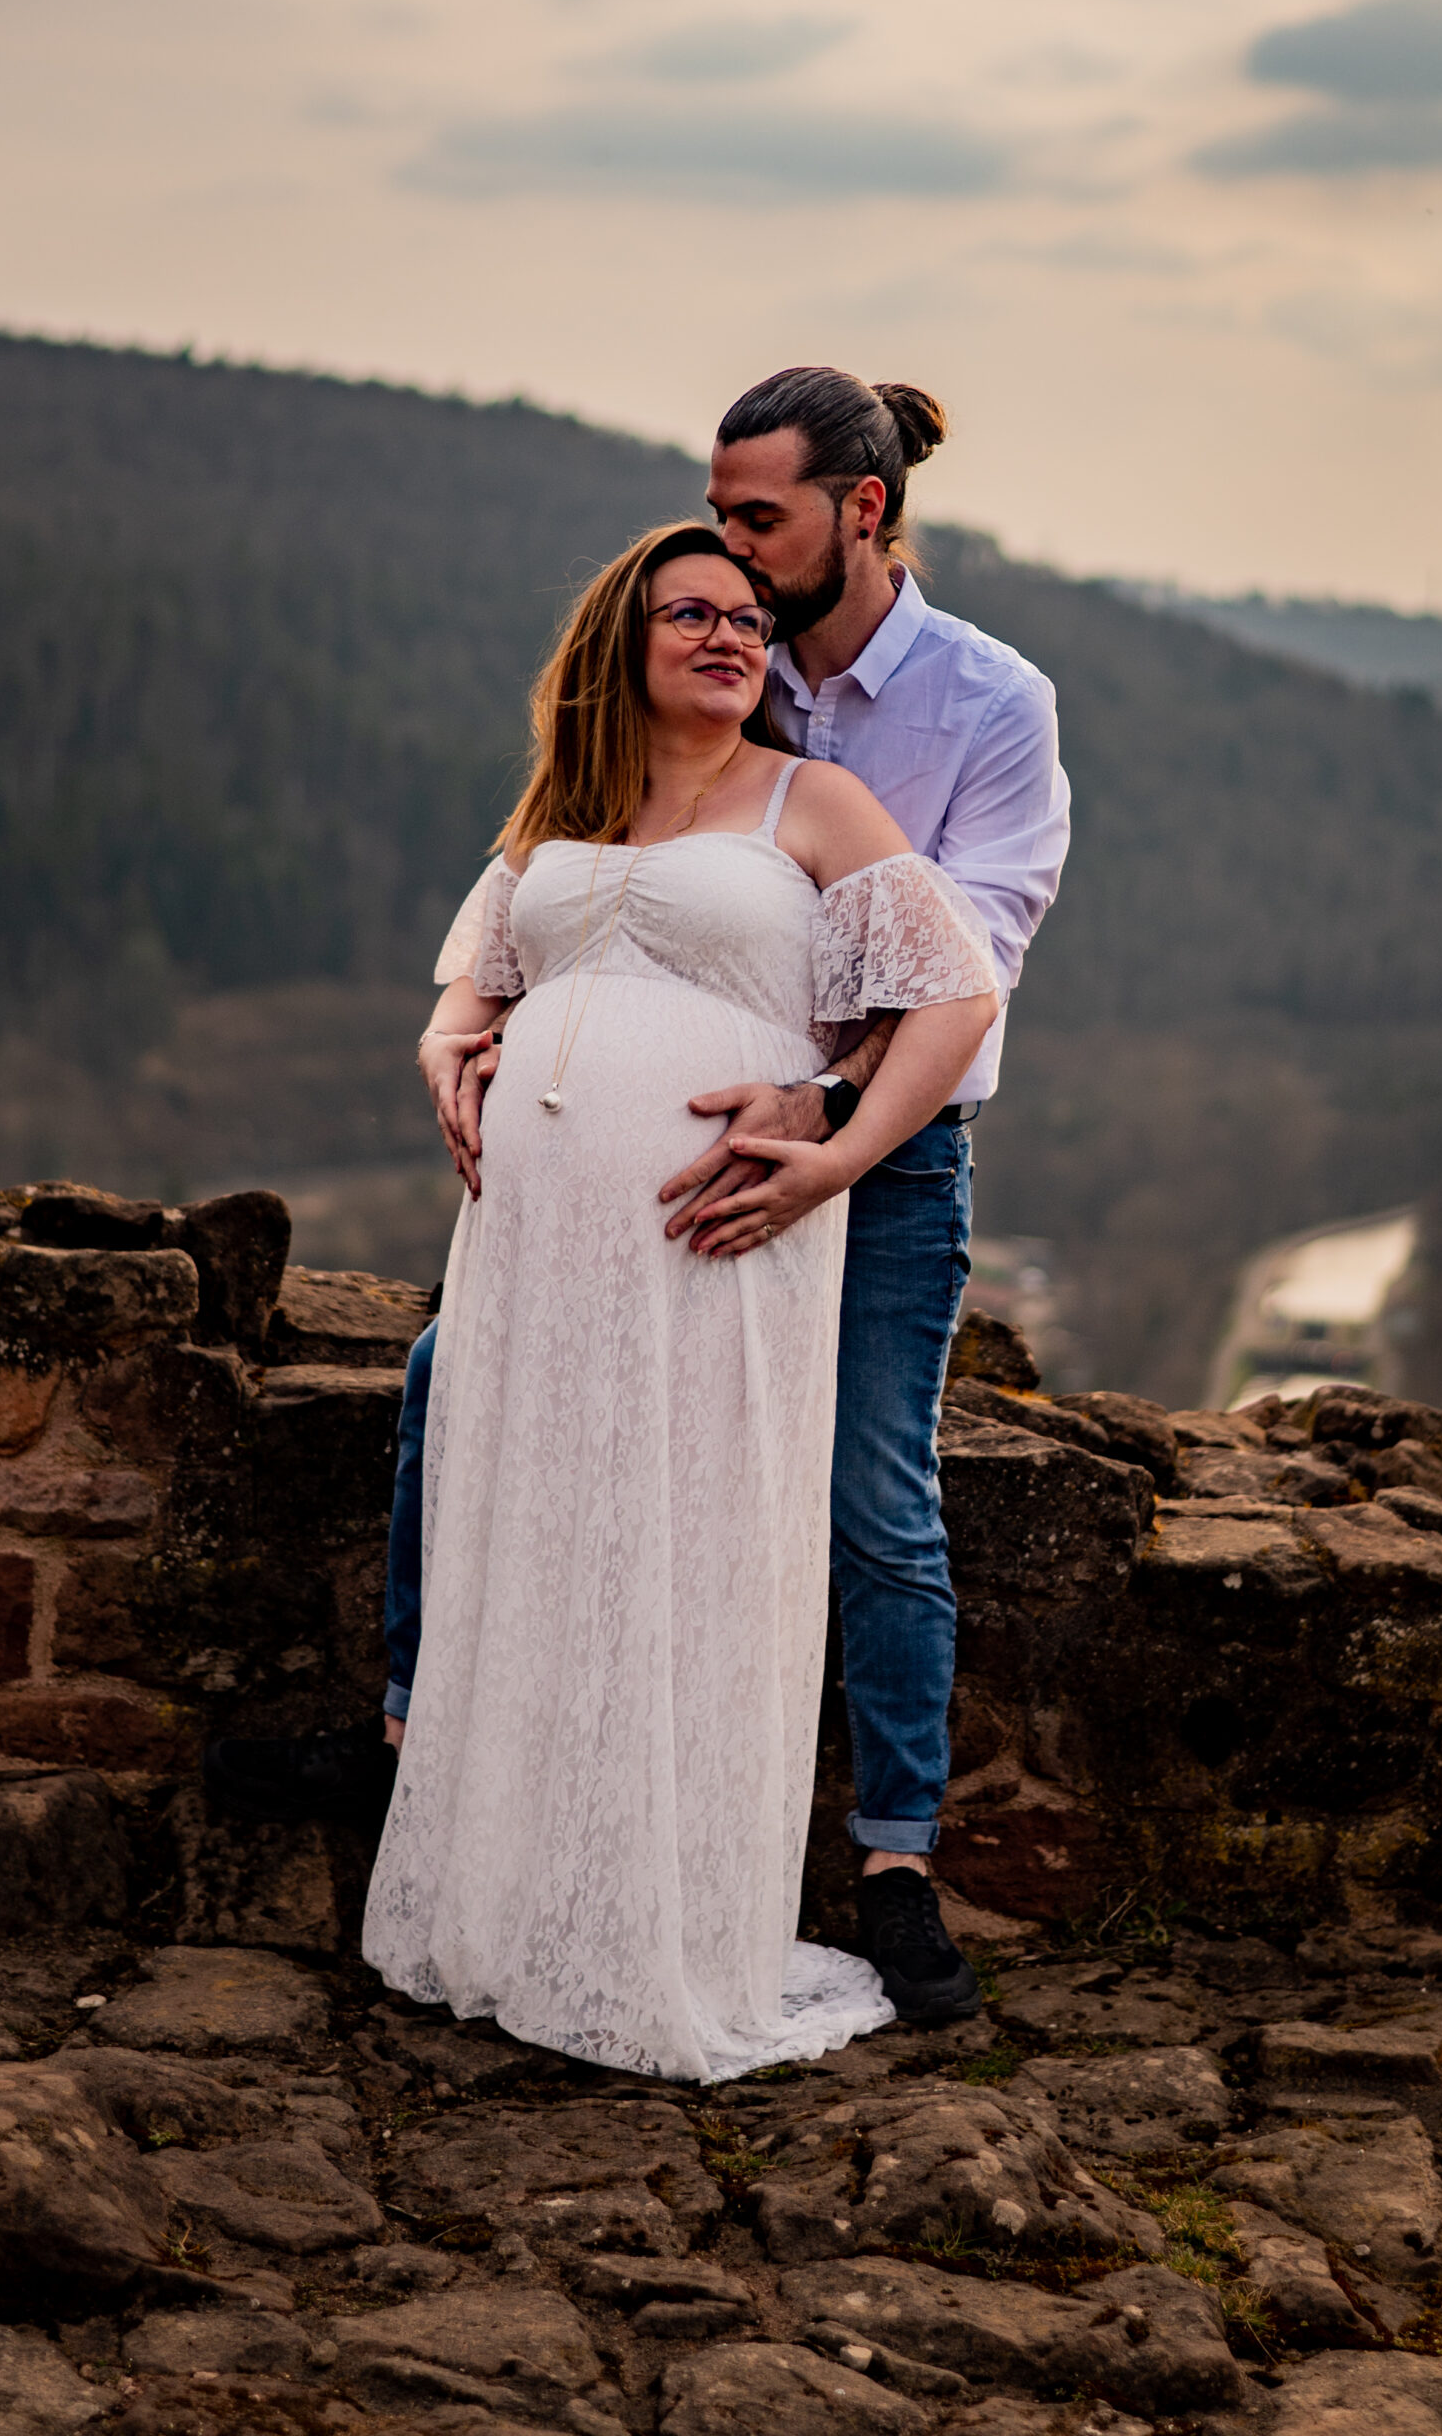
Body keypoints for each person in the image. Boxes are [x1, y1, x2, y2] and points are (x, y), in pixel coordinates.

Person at [210, 369, 1069, 2027]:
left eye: (757, 528)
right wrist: (461, 1023)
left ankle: (892, 1862)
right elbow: (526, 910)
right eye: (713, 545)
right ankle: (427, 1746)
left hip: (865, 1156)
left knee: (869, 1494)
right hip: (591, 1209)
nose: (735, 566)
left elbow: (969, 966)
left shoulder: (977, 706)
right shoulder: (656, 724)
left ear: (861, 512)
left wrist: (823, 1125)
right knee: (458, 1400)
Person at [360, 520, 999, 2082]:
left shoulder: (814, 799)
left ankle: (668, 1927)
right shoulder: (567, 809)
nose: (726, 637)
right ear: (622, 642)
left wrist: (836, 1157)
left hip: (719, 1234)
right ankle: (515, 1903)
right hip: (539, 1249)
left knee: (692, 1537)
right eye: (688, 615)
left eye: (743, 618)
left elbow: (960, 995)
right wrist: (453, 1046)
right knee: (538, 1523)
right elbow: (478, 969)